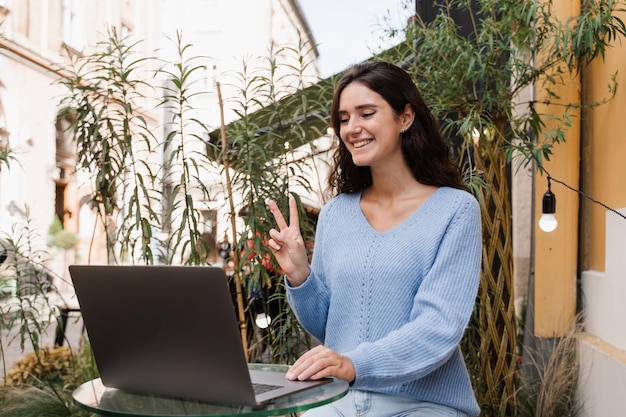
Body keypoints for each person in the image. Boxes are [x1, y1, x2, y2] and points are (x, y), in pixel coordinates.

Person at [267, 61, 482, 417]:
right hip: (339, 401)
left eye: (366, 113)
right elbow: (330, 327)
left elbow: (438, 329)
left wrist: (354, 364)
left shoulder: (455, 210)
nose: (352, 128)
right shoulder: (335, 213)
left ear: (405, 117)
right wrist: (301, 277)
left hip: (423, 405)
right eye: (344, 118)